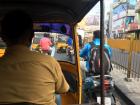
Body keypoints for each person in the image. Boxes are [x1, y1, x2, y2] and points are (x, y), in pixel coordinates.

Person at [0, 9, 69, 105]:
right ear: (32, 35)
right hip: (47, 51)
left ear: (2, 36)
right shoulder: (50, 62)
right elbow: (63, 89)